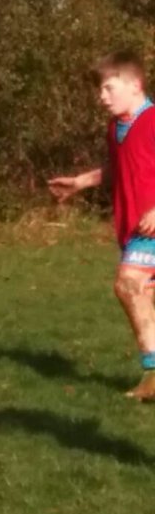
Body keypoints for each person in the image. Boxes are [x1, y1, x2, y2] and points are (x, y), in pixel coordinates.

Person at [49, 49, 155, 400]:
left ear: (135, 85)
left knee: (128, 284)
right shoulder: (116, 128)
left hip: (150, 229)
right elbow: (121, 168)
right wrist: (81, 182)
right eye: (101, 90)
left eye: (109, 88)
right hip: (130, 229)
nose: (101, 96)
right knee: (144, 296)